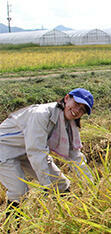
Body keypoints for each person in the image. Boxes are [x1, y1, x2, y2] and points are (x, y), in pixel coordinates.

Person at [0, 88, 94, 217]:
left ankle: (64, 218)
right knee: (19, 191)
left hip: (26, 152)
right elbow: (36, 152)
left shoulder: (69, 125)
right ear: (67, 98)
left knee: (60, 184)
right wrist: (46, 186)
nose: (77, 110)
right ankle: (12, 227)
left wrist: (91, 185)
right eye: (77, 104)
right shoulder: (41, 114)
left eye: (82, 110)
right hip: (4, 150)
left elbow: (75, 155)